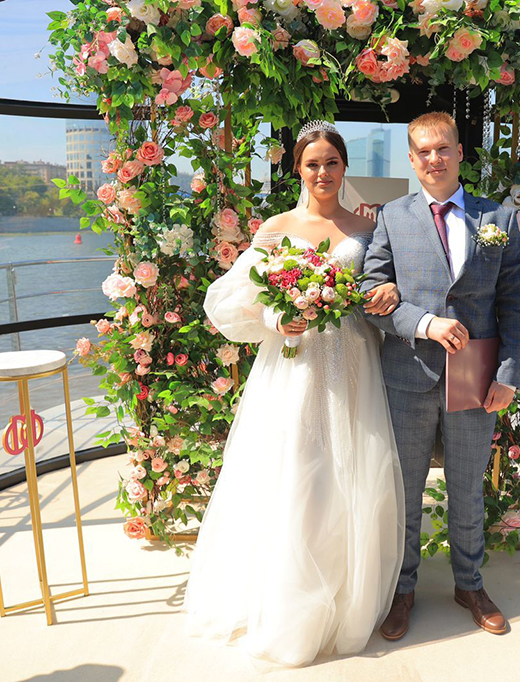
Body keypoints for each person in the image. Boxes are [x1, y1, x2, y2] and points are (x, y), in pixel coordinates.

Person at [184, 121, 405, 667]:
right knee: (297, 471)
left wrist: (387, 291)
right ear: (297, 168)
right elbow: (231, 297)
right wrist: (274, 317)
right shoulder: (278, 228)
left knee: (351, 471)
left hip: (353, 362)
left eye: (332, 162)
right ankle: (290, 600)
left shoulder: (369, 227)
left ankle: (345, 593)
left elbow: (385, 287)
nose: (323, 172)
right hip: (296, 365)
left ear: (344, 166)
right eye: (312, 163)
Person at [361, 112, 520, 640]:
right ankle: (402, 590)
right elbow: (370, 295)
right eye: (423, 152)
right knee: (405, 491)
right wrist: (424, 323)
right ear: (412, 160)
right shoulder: (392, 217)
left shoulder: (497, 218)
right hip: (407, 374)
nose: (433, 159)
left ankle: (470, 585)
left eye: (443, 149)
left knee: (467, 489)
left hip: (475, 377)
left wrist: (508, 374)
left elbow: (513, 304)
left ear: (459, 153)